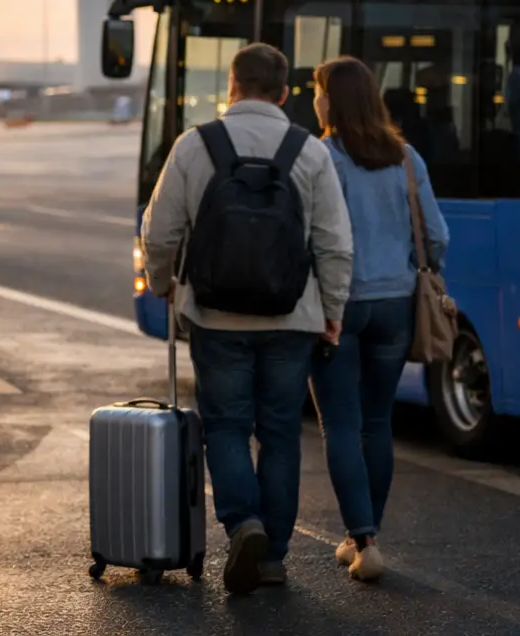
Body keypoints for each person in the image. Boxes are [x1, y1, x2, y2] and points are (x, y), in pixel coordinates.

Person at [141, 43, 353, 594]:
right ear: (284, 93)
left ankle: (244, 523)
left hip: (216, 316)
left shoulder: (195, 145)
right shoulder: (309, 151)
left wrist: (164, 283)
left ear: (231, 88)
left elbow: (159, 230)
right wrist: (332, 312)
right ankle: (273, 557)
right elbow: (334, 243)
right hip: (291, 318)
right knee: (280, 434)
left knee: (227, 427)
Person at [310, 56, 449, 581]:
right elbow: (436, 235)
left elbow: (314, 235)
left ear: (334, 100)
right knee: (376, 422)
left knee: (340, 424)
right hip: (396, 304)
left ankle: (362, 538)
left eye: (319, 90)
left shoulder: (322, 157)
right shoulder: (407, 157)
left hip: (339, 305)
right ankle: (365, 537)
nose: (315, 99)